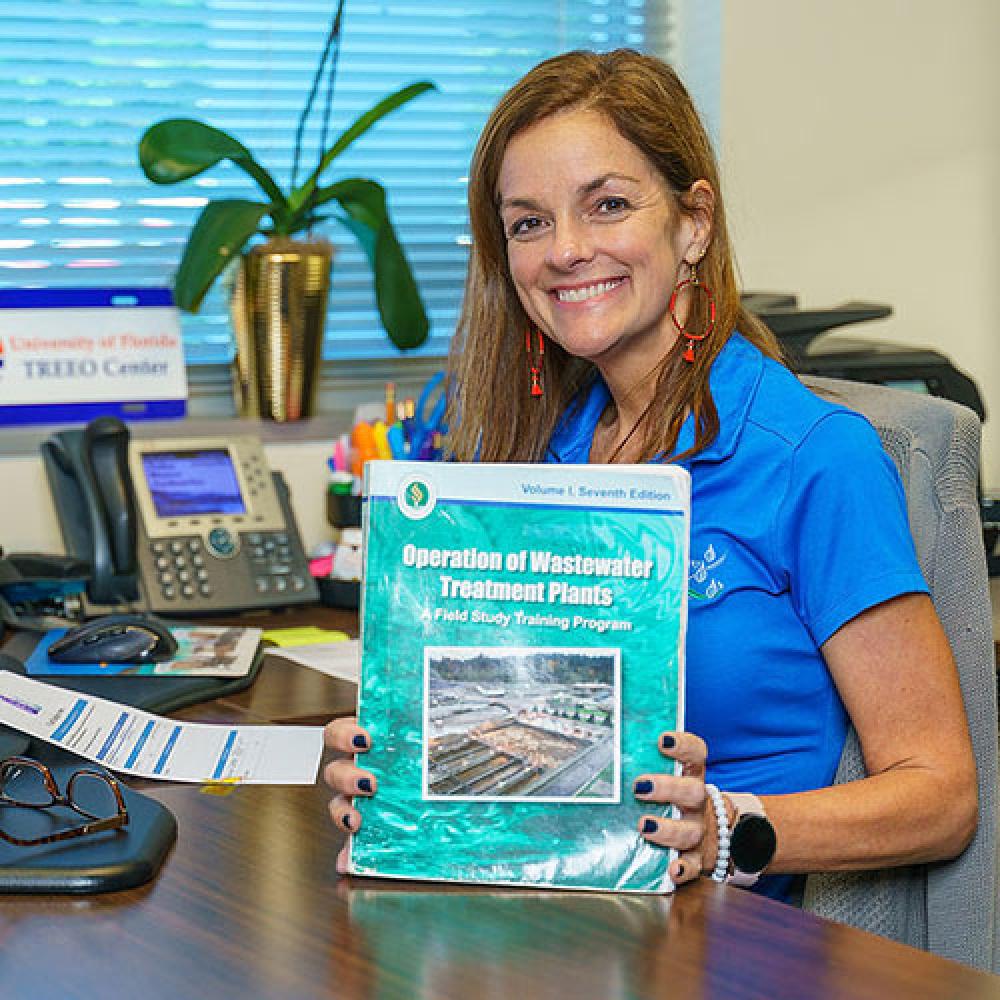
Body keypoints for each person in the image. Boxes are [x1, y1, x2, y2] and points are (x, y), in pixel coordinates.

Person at [323, 48, 977, 901]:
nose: (566, 250)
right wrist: (393, 774)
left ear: (693, 222)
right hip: (555, 913)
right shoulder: (544, 453)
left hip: (733, 943)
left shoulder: (815, 457)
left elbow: (943, 796)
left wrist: (727, 826)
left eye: (608, 206)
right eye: (528, 223)